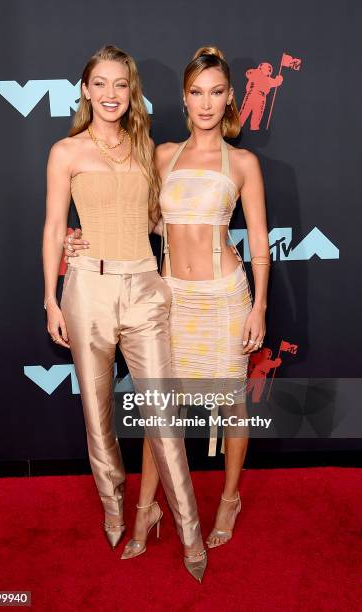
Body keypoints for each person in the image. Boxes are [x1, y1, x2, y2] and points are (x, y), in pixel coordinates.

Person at [64, 45, 270, 552]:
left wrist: (260, 307)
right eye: (197, 93)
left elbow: (261, 244)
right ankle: (145, 510)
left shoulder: (243, 162)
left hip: (225, 299)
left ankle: (228, 499)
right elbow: (132, 216)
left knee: (231, 406)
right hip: (169, 295)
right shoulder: (160, 154)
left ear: (229, 100)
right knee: (161, 408)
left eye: (217, 92)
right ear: (183, 98)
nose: (206, 103)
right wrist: (80, 237)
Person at [43, 44, 206, 581]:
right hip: (86, 288)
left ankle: (189, 533)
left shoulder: (148, 150)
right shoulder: (65, 151)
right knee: (98, 420)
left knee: (164, 420)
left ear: (131, 91)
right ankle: (116, 511)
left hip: (143, 286)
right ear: (85, 89)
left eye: (121, 84)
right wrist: (51, 297)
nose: (111, 94)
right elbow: (52, 228)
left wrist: (202, 230)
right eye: (101, 83)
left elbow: (158, 221)